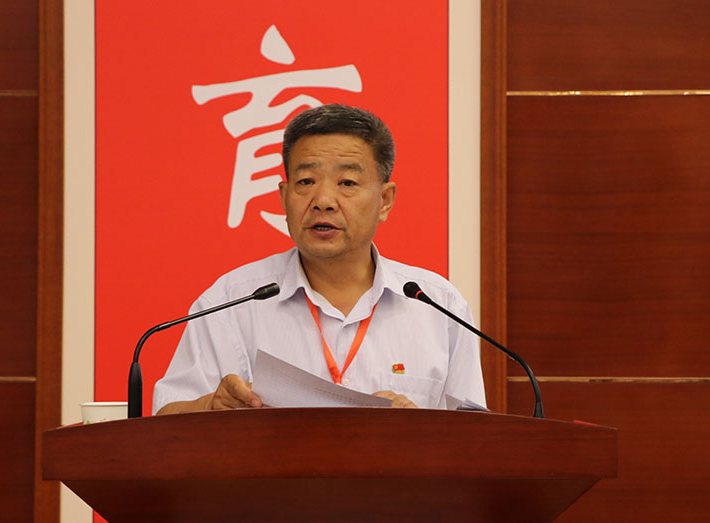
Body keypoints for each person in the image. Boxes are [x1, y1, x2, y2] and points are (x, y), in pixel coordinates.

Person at [153, 104, 485, 414]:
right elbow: (165, 420)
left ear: (385, 200)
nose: (323, 200)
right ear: (284, 197)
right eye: (306, 181)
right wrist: (212, 407)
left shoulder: (438, 306)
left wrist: (421, 431)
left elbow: (474, 441)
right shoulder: (231, 302)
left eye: (347, 183)